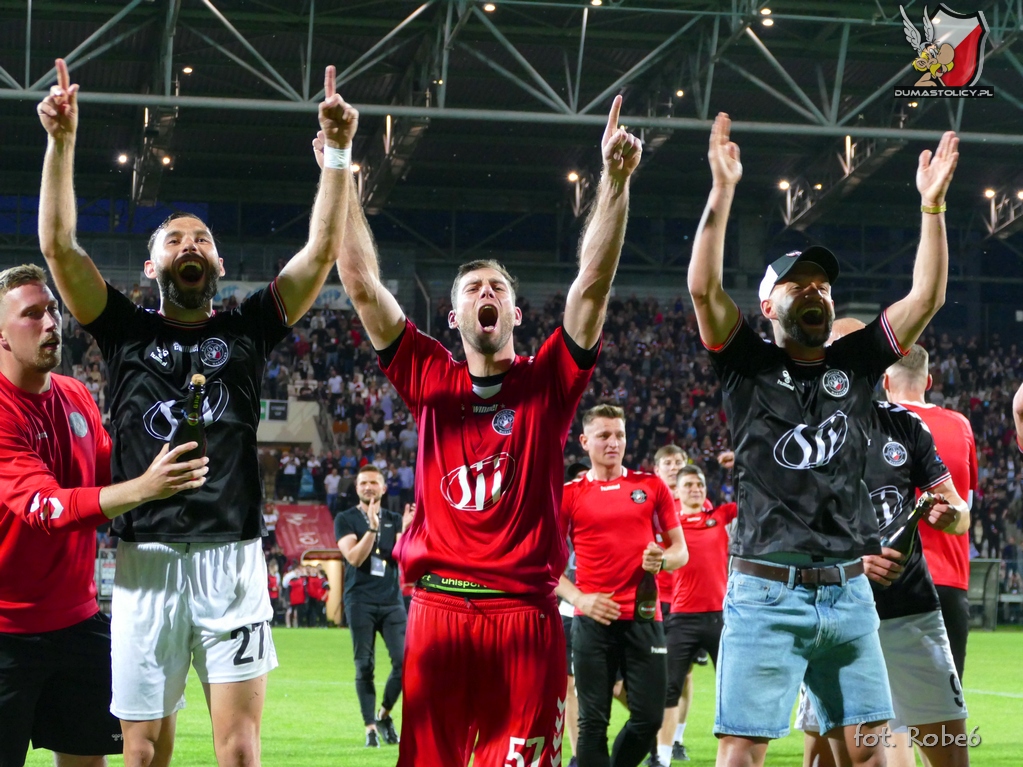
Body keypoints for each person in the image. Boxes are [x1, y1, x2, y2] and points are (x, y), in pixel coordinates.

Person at [36, 58, 357, 767]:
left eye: (201, 239)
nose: (190, 245)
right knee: (144, 754)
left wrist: (337, 155)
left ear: (216, 265)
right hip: (145, 559)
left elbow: (321, 251)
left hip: (231, 560)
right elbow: (59, 248)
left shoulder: (246, 327)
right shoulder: (124, 331)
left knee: (239, 751)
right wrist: (62, 142)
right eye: (174, 239)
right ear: (150, 267)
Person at [326, 95, 641, 766]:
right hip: (438, 615)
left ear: (516, 312)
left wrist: (613, 183)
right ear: (451, 315)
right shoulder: (428, 377)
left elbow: (592, 285)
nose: (484, 293)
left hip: (525, 619)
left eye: (495, 286)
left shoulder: (547, 383)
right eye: (471, 287)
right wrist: (341, 159)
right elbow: (358, 279)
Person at [687, 112, 958, 766]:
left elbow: (925, 296)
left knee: (867, 751)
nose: (814, 290)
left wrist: (932, 206)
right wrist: (721, 194)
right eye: (796, 283)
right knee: (741, 750)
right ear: (768, 306)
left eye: (822, 284)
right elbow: (701, 287)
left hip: (845, 588)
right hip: (763, 584)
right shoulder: (746, 364)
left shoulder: (856, 362)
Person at [0, 264, 207, 767]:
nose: (52, 323)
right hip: (6, 633)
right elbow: (47, 508)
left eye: (52, 310)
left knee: (87, 761)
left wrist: (173, 438)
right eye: (32, 315)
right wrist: (142, 486)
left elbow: (109, 472)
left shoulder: (73, 395)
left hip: (79, 624)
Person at [796, 320, 970, 767]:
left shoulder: (903, 424)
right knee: (830, 758)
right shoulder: (797, 433)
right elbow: (785, 532)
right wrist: (853, 562)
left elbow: (959, 513)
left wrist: (950, 515)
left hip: (911, 611)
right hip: (835, 614)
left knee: (951, 752)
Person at [557, 405, 688, 767]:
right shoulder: (568, 495)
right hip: (591, 622)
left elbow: (680, 551)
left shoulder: (650, 486)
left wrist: (661, 558)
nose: (613, 442)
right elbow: (546, 567)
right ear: (584, 442)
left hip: (644, 618)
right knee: (592, 723)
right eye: (604, 435)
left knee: (648, 717)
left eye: (619, 435)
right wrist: (581, 598)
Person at [886, 345, 978, 682]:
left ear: (884, 381)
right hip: (950, 582)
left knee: (882, 715)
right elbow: (965, 504)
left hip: (890, 579)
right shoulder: (961, 426)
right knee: (944, 716)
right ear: (929, 381)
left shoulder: (875, 423)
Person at [657, 465, 736, 767]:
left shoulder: (721, 516)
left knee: (731, 690)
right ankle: (662, 758)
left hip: (721, 618)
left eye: (699, 483)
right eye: (688, 484)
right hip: (682, 618)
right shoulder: (669, 528)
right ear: (675, 491)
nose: (695, 488)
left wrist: (735, 465)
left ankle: (729, 755)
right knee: (670, 688)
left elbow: (750, 493)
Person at [335, 465, 410, 747]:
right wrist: (371, 529)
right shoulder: (345, 518)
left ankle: (384, 715)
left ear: (383, 487)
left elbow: (402, 558)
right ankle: (369, 729)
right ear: (357, 488)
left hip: (392, 601)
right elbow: (353, 557)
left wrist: (407, 531)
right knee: (364, 665)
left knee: (405, 663)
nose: (368, 487)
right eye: (363, 483)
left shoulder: (394, 518)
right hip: (360, 601)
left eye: (373, 483)